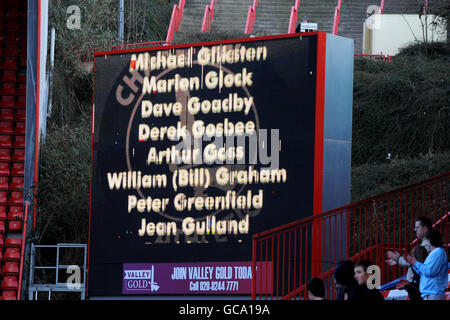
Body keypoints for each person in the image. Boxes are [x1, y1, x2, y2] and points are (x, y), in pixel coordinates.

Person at [406, 229, 448, 300]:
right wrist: (413, 263)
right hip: (429, 294)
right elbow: (423, 273)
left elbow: (429, 271)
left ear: (430, 239)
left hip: (434, 294)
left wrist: (415, 262)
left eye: (426, 239)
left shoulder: (439, 252)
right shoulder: (433, 253)